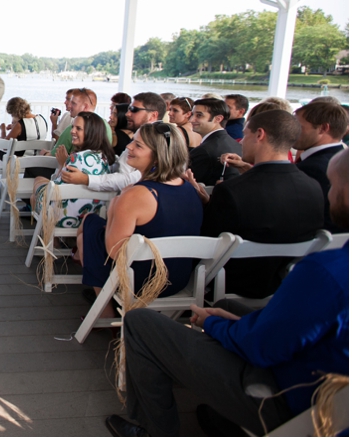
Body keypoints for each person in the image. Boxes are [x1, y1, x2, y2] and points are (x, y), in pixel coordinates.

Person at [104, 148, 349, 438]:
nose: (329, 193)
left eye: (333, 185)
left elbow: (262, 348)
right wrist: (235, 321)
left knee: (140, 323)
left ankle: (152, 428)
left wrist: (213, 324)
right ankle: (226, 417)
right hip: (325, 380)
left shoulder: (328, 272)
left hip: (292, 400)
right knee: (227, 303)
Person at [192, 110, 324, 299]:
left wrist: (205, 205)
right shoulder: (313, 186)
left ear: (260, 135)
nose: (242, 142)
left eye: (245, 135)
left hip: (230, 284)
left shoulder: (233, 190)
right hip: (285, 283)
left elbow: (208, 245)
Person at [77, 121, 202, 320]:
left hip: (143, 282)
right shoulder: (187, 187)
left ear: (158, 154)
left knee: (91, 227)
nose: (128, 147)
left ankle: (105, 313)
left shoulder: (138, 194)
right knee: (92, 224)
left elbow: (114, 252)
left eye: (138, 145)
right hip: (179, 279)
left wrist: (114, 206)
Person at [60, 92, 166, 192]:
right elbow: (122, 167)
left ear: (153, 115)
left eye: (134, 109)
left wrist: (87, 179)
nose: (128, 114)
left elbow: (133, 178)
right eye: (129, 109)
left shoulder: (157, 138)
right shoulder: (144, 133)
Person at [31, 112, 116, 229]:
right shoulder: (104, 157)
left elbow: (56, 190)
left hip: (65, 217)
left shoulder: (76, 158)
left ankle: (49, 239)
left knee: (38, 183)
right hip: (91, 215)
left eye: (78, 128)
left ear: (90, 133)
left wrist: (62, 165)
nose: (72, 131)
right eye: (73, 127)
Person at [293, 100, 349, 232]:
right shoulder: (342, 158)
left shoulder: (311, 169)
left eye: (298, 127)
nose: (292, 132)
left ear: (323, 128)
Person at [188, 97, 242, 185]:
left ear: (218, 119)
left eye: (199, 115)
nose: (191, 120)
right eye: (192, 115)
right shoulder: (235, 144)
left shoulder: (204, 150)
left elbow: (190, 184)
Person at [53, 88, 111, 154]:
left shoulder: (73, 129)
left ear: (85, 107)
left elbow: (54, 155)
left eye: (73, 103)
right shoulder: (105, 126)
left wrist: (45, 154)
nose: (69, 106)